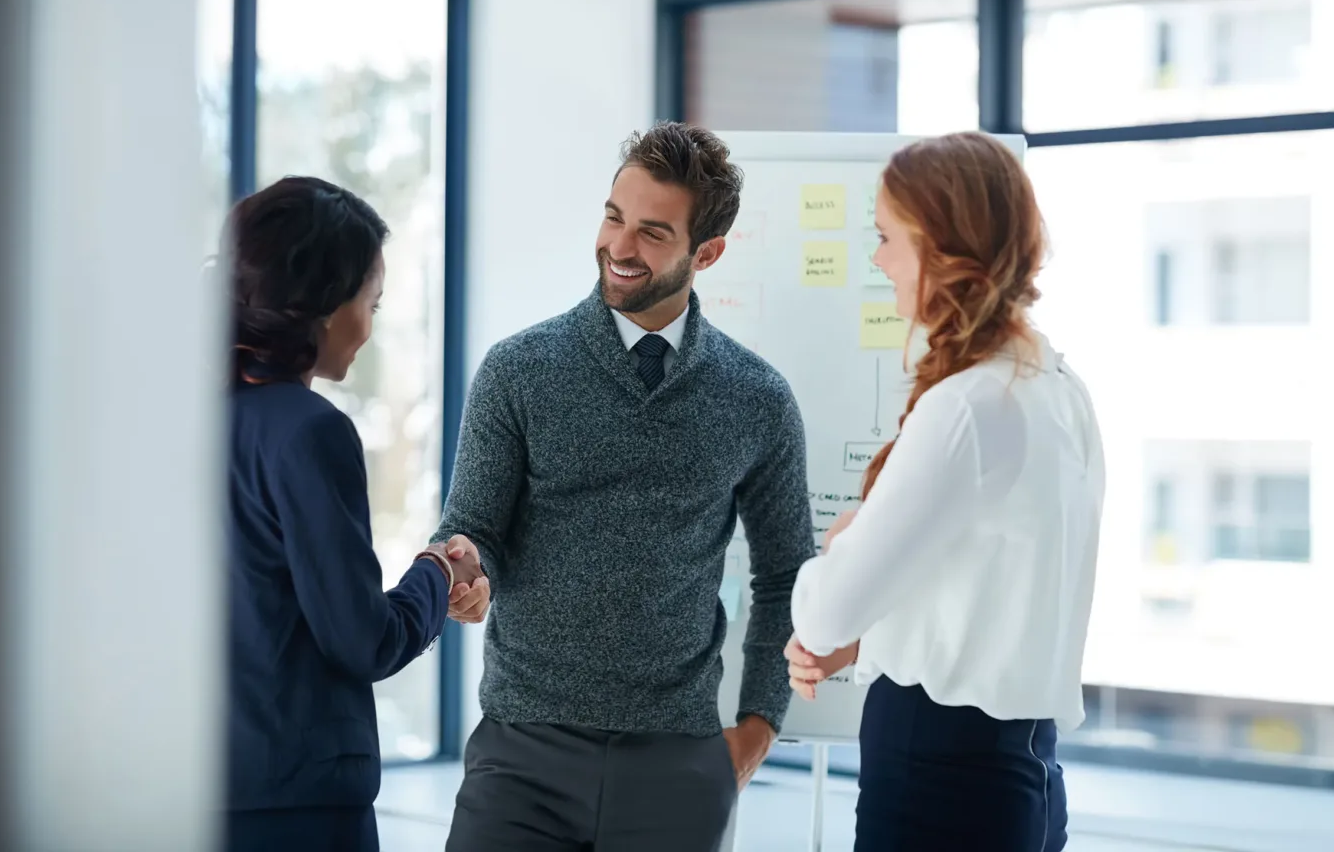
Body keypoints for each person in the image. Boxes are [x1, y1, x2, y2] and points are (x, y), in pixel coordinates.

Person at [435, 122, 815, 852]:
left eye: (651, 232)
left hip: (677, 763)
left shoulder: (757, 398)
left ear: (707, 253)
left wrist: (758, 728)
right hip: (521, 755)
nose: (619, 247)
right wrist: (465, 569)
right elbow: (471, 525)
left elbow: (785, 577)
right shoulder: (517, 370)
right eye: (613, 217)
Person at [784, 132, 1105, 852]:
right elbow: (985, 592)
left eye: (886, 237)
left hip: (937, 775)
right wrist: (865, 643)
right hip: (1023, 770)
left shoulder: (967, 405)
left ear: (938, 245)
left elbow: (826, 609)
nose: (877, 260)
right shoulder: (1058, 388)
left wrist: (842, 543)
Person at [222, 176, 490, 852]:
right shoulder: (310, 432)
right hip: (299, 805)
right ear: (324, 307)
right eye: (370, 301)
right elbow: (362, 638)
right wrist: (436, 571)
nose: (370, 325)